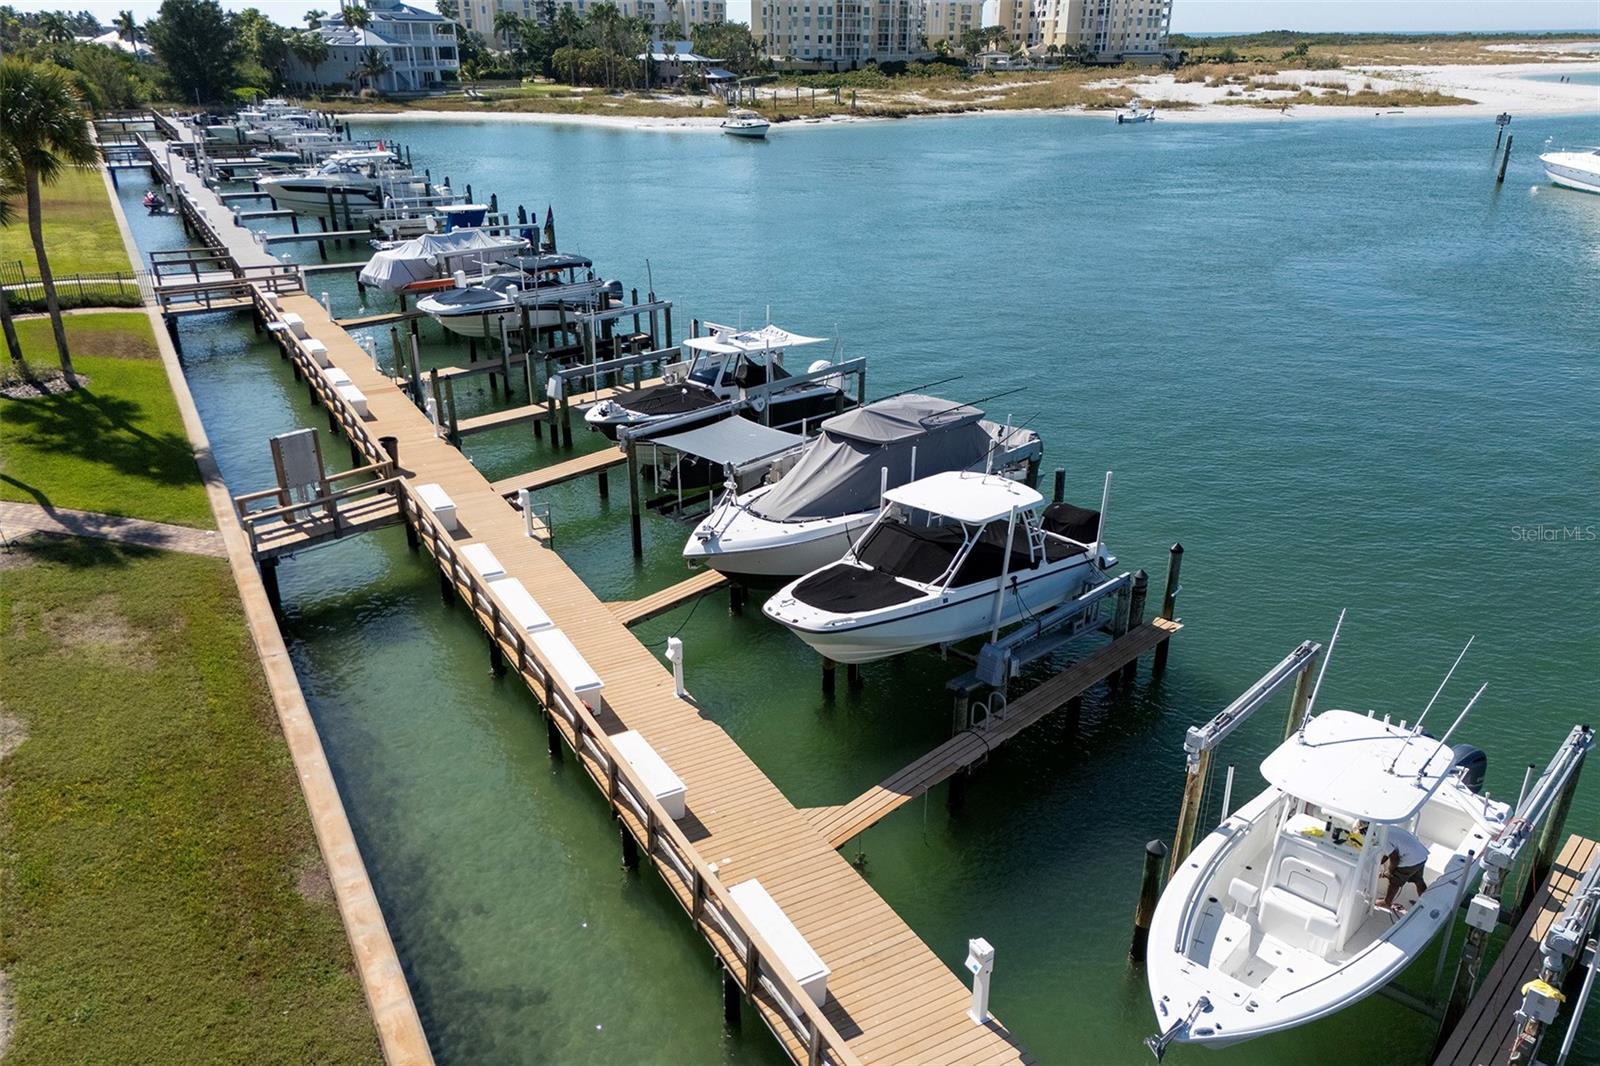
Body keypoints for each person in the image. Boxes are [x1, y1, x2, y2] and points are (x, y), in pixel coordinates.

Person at [1380, 825, 1430, 913]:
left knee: (1394, 881)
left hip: (1410, 860)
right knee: (1419, 880)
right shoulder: (1387, 827)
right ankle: (1426, 903)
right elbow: (1391, 850)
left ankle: (1386, 902)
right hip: (1421, 855)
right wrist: (1381, 862)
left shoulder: (1381, 838)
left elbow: (1395, 858)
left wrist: (1389, 871)